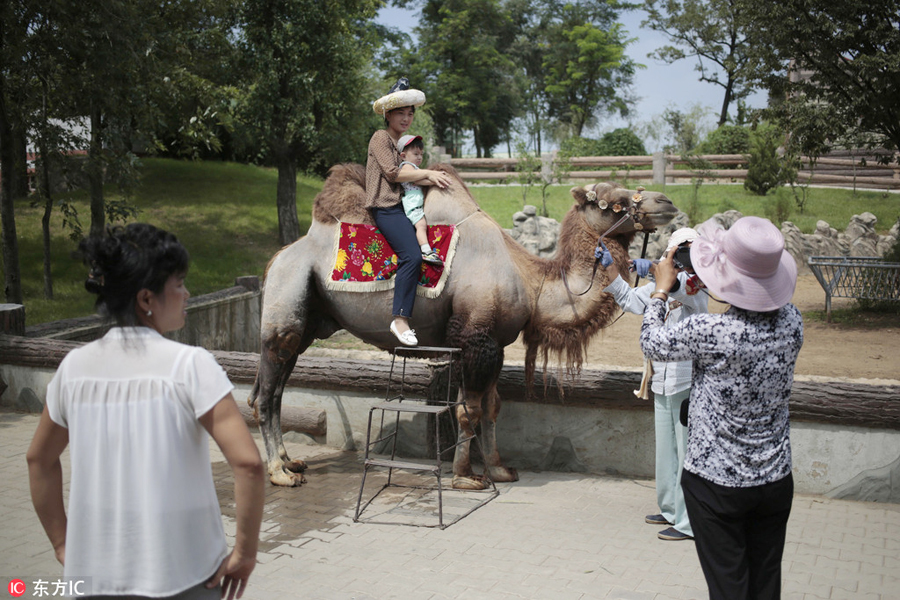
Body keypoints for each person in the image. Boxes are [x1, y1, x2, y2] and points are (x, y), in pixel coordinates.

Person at [26, 223, 266, 600]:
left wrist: (62, 544)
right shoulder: (189, 366)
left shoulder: (73, 369)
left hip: (93, 577)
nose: (187, 294)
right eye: (179, 284)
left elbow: (38, 459)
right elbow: (249, 464)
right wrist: (245, 552)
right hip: (186, 573)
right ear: (146, 299)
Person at [639, 216, 803, 599]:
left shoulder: (711, 332)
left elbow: (653, 342)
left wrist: (662, 291)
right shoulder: (793, 323)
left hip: (716, 485)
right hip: (775, 477)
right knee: (764, 583)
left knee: (729, 586)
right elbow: (758, 307)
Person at [601, 227, 707, 542]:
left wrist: (655, 270)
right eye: (670, 253)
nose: (670, 259)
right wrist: (611, 267)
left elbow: (675, 286)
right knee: (667, 452)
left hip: (686, 379)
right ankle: (672, 509)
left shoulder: (696, 284)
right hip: (661, 378)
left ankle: (689, 523)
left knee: (687, 453)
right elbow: (631, 300)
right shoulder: (668, 282)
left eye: (676, 254)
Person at [368, 77, 452, 347]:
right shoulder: (381, 138)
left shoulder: (401, 144)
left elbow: (412, 177)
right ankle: (400, 319)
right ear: (388, 114)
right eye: (400, 113)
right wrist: (428, 172)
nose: (406, 118)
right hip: (386, 207)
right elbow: (394, 173)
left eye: (410, 113)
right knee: (412, 256)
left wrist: (437, 179)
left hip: (402, 207)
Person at [397, 133, 443, 267]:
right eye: (416, 154)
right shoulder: (407, 167)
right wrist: (434, 180)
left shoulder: (414, 168)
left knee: (420, 225)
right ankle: (426, 250)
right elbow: (418, 179)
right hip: (412, 202)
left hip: (414, 201)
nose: (419, 157)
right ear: (403, 155)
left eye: (421, 154)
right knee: (421, 225)